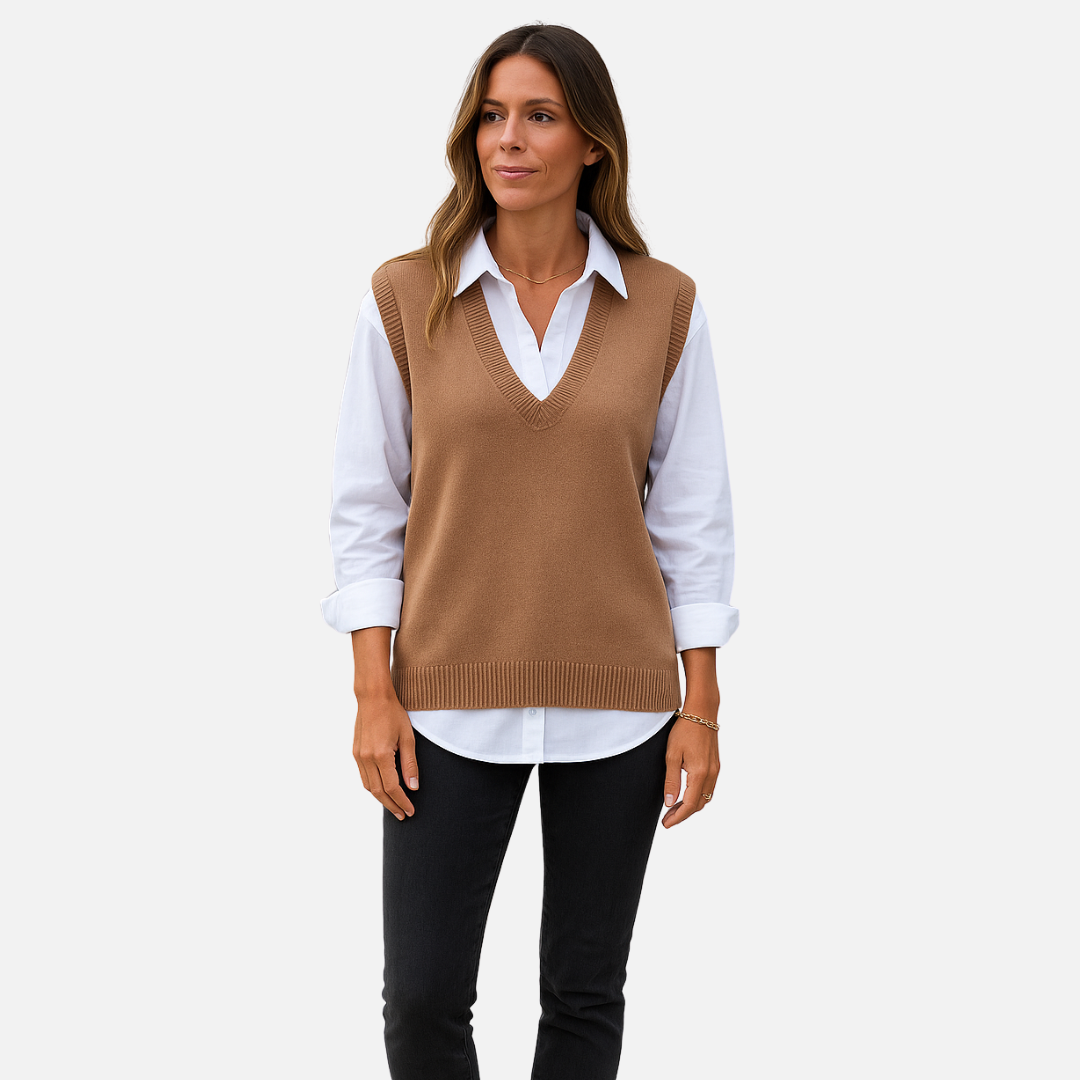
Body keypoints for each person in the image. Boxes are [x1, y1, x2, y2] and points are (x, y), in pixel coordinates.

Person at [321, 23, 739, 1080]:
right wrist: (372, 691)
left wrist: (701, 705)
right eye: (492, 116)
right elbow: (367, 509)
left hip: (622, 705)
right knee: (423, 1000)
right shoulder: (406, 298)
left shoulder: (665, 306)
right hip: (444, 701)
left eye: (540, 116)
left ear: (593, 141)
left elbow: (692, 520)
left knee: (585, 996)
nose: (508, 139)